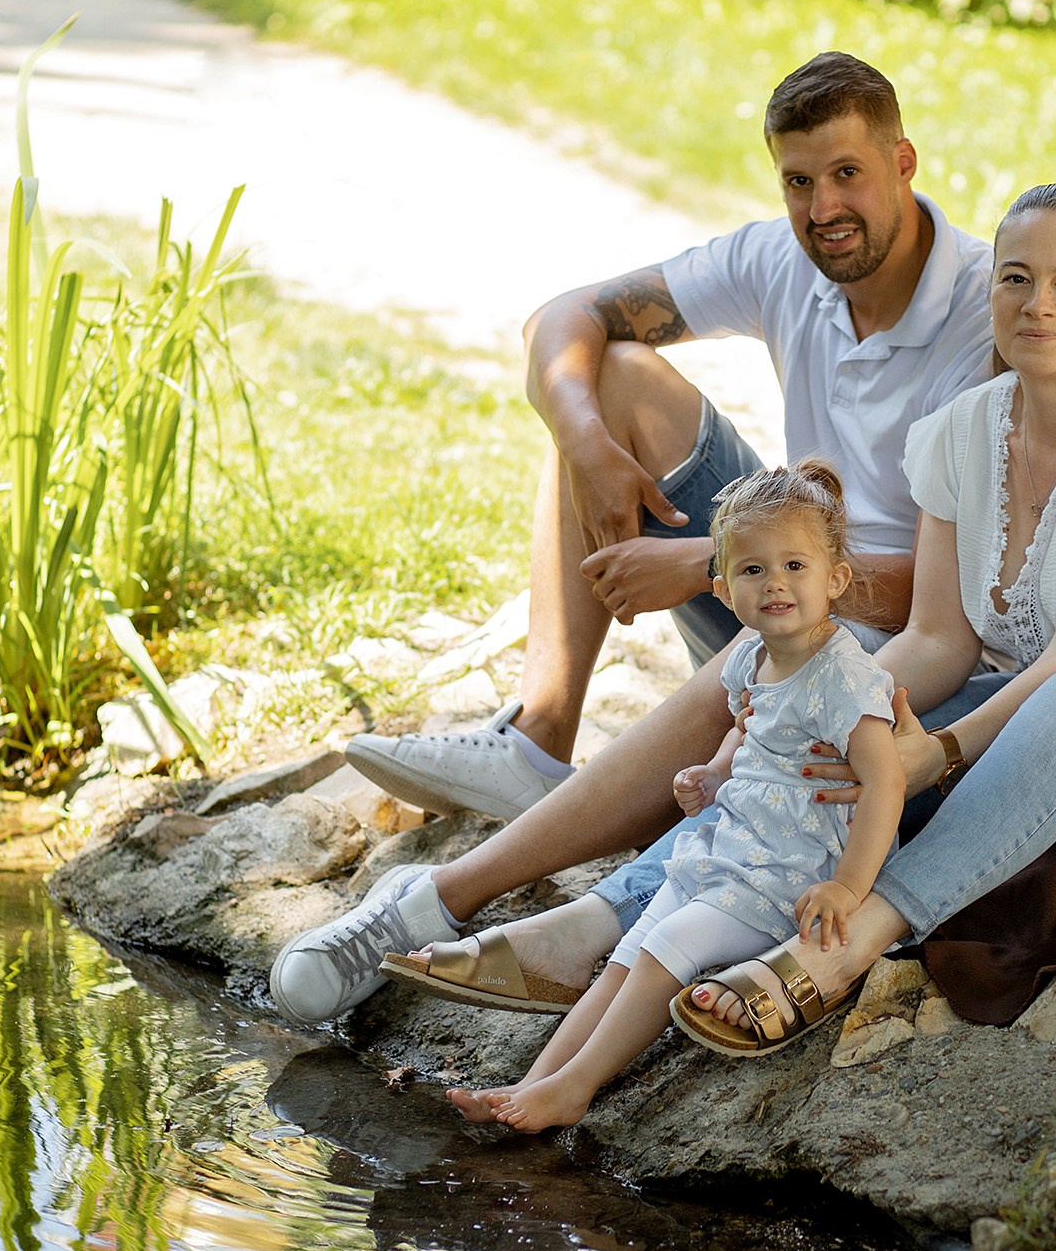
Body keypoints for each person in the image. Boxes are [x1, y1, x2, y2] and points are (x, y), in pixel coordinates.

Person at [397, 182, 1056, 1056]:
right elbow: (936, 640)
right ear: (992, 291)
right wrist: (774, 734)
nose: (1039, 303)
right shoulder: (968, 430)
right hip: (1048, 717)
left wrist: (941, 752)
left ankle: (840, 949)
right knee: (844, 705)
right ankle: (606, 921)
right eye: (1016, 278)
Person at [269, 53, 994, 1025]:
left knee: (772, 638)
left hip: (896, 648)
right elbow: (558, 318)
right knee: (608, 375)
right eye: (796, 181)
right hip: (783, 580)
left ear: (903, 161)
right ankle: (539, 733)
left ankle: (436, 904)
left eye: (846, 174)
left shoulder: (987, 313)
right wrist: (582, 438)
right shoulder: (786, 260)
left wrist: (706, 563)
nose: (822, 206)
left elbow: (947, 600)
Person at [398, 460, 904, 1128]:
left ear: (835, 577)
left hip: (793, 875)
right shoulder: (752, 655)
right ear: (723, 588)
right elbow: (751, 730)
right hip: (731, 850)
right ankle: (533, 1080)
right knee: (630, 951)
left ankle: (574, 1087)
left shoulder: (844, 677)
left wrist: (847, 886)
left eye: (795, 566)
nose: (775, 584)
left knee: (668, 949)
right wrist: (718, 772)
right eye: (753, 570)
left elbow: (887, 780)